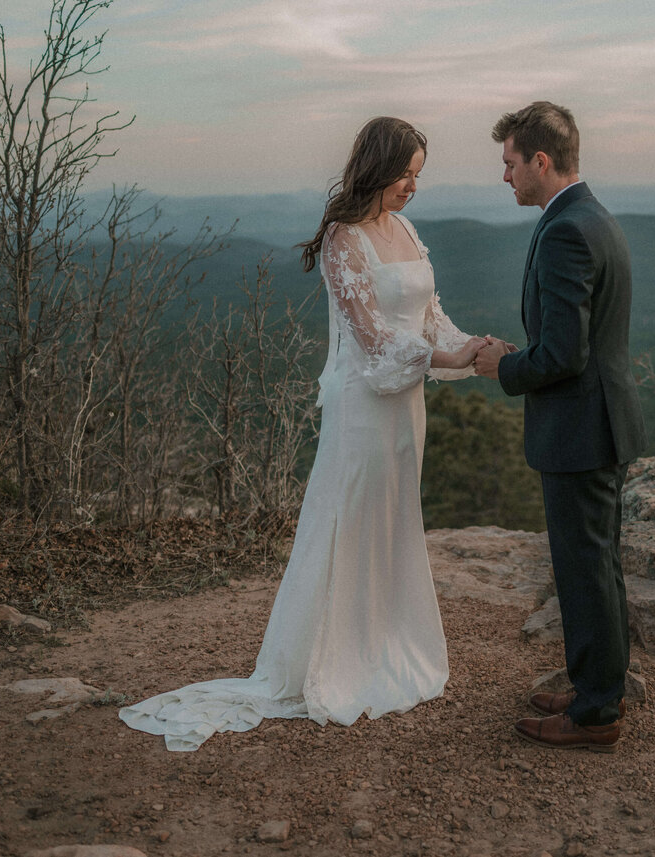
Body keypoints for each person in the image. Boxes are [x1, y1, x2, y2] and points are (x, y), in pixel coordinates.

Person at [119, 117, 485, 751]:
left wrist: (472, 347)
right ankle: (338, 659)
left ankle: (386, 643)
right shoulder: (345, 240)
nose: (413, 186)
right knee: (352, 514)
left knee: (394, 516)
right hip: (366, 402)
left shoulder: (405, 229)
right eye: (406, 173)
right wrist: (442, 358)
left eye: (419, 174)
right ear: (377, 167)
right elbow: (372, 341)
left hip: (409, 406)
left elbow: (431, 319)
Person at [473, 102, 647, 753]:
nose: (506, 176)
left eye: (510, 163)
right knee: (594, 566)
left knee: (586, 568)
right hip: (597, 426)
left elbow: (563, 356)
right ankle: (595, 686)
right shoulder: (590, 215)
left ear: (540, 161)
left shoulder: (567, 230)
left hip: (581, 431)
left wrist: (502, 365)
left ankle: (598, 712)